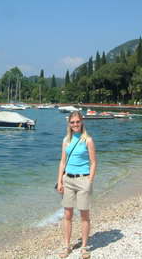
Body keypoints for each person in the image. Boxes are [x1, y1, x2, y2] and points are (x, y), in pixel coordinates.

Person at [56, 111, 97, 259]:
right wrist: (59, 180)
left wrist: (89, 182)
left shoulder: (88, 140)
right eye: (72, 122)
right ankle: (66, 245)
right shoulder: (66, 140)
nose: (75, 124)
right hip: (68, 180)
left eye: (77, 122)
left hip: (83, 180)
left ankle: (84, 247)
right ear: (69, 124)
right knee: (67, 214)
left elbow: (93, 163)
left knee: (84, 215)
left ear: (82, 122)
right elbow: (62, 162)